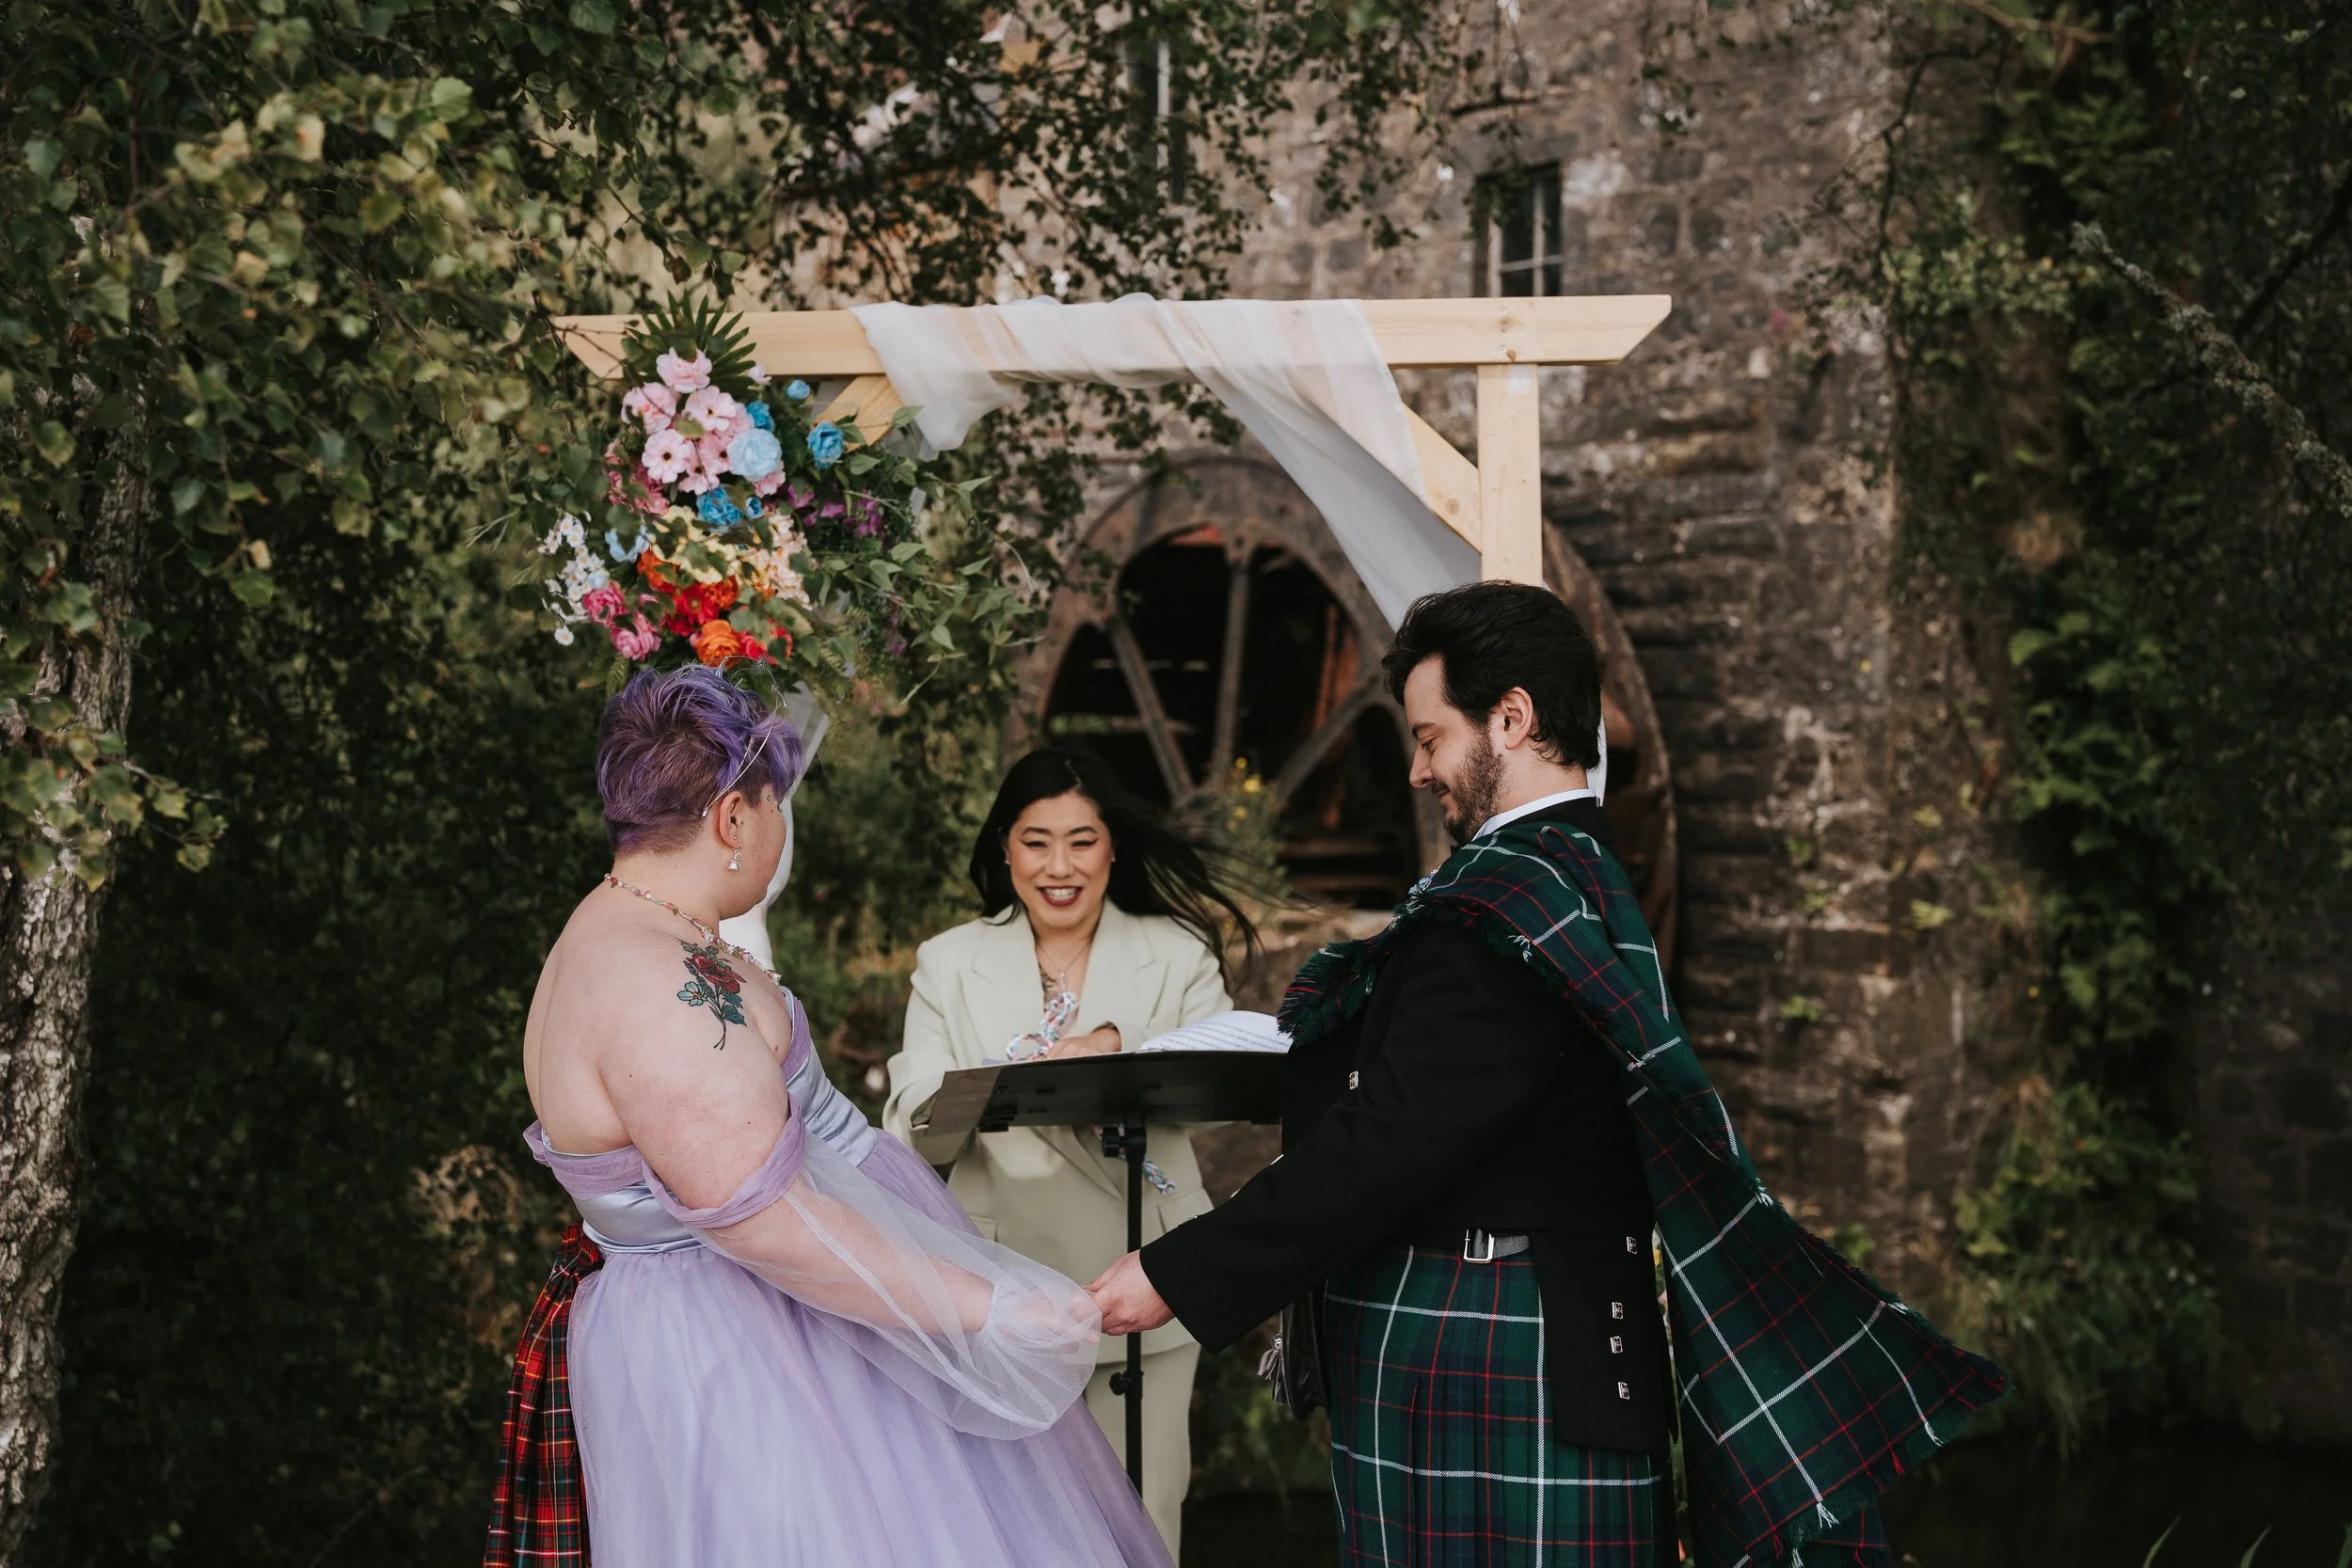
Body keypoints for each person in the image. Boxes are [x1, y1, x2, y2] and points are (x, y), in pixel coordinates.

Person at [1086, 582, 2008, 1568]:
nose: (1414, 769)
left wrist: (1178, 1271)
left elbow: (1388, 1140)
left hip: (1474, 1345)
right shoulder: (1580, 874)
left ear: (1512, 718)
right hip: (1554, 1328)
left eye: (1431, 737)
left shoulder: (1500, 911)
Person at [484, 668, 1170, 1568]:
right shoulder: (654, 984)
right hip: (751, 1351)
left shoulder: (649, 932)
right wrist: (979, 1306)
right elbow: (760, 1219)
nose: (782, 826)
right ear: (733, 819)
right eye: (777, 804)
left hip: (803, 1323)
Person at [885, 747, 1257, 1557]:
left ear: (1113, 845)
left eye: (1082, 840)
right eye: (1037, 839)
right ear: (1005, 847)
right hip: (1001, 1293)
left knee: (1142, 1521)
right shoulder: (948, 962)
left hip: (1148, 1282)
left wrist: (1116, 1044)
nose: (1061, 866)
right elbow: (909, 1112)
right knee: (1012, 1531)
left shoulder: (1180, 952)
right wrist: (987, 1087)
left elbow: (1225, 1067)